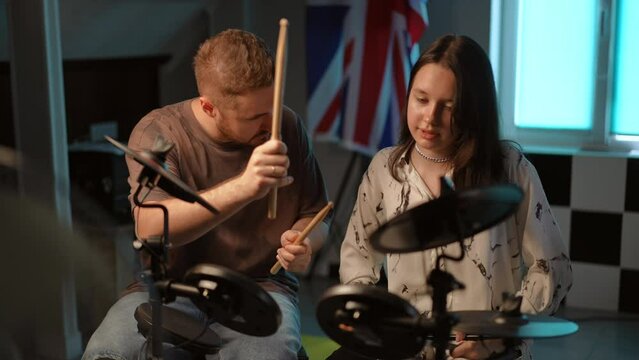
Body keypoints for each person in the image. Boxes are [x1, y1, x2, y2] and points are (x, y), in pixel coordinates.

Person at [82, 29, 330, 360]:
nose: (271, 125)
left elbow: (316, 214)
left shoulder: (288, 125)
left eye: (272, 108)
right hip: (170, 287)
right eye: (255, 117)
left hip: (259, 287)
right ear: (209, 107)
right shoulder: (160, 132)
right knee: (107, 353)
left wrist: (304, 242)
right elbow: (151, 227)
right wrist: (244, 187)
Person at [336, 35, 572, 360]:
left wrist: (499, 336)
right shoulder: (384, 169)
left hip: (484, 350)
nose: (430, 118)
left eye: (449, 107)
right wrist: (377, 325)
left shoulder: (511, 169)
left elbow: (553, 269)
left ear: (475, 110)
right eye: (421, 99)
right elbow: (357, 258)